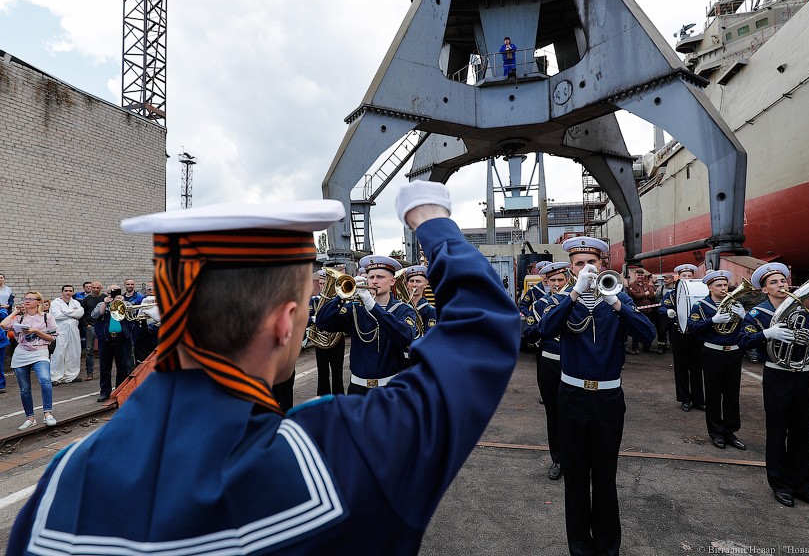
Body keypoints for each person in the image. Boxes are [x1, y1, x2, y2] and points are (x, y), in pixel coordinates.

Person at [8, 182, 521, 554]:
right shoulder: (342, 455)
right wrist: (432, 223)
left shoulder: (60, 485)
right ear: (285, 323)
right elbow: (484, 331)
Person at [539, 236, 655, 555]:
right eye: (579, 264)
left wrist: (616, 302)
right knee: (576, 479)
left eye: (592, 263)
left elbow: (648, 335)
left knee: (605, 478)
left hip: (607, 400)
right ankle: (580, 548)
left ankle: (607, 548)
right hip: (572, 396)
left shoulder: (618, 299)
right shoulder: (564, 299)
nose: (587, 268)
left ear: (602, 264)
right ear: (572, 270)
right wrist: (575, 295)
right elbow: (544, 330)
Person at [741, 262, 809, 509]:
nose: (781, 286)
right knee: (778, 432)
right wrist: (767, 334)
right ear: (764, 290)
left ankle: (804, 486)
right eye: (774, 283)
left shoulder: (803, 311)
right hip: (777, 376)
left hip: (804, 376)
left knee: (804, 433)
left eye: (783, 281)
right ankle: (780, 485)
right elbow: (743, 340)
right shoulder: (758, 314)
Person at [316, 254, 416, 394]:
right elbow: (322, 322)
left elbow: (405, 337)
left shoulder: (403, 310)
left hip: (389, 388)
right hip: (357, 388)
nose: (374, 281)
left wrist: (372, 305)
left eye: (380, 277)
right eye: (371, 277)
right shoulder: (356, 309)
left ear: (392, 281)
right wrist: (341, 296)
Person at [687, 270, 750, 450]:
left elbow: (746, 330)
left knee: (732, 394)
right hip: (713, 353)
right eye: (719, 286)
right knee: (713, 395)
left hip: (733, 353)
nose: (724, 289)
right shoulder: (701, 306)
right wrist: (712, 320)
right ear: (709, 287)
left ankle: (730, 432)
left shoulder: (736, 304)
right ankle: (716, 433)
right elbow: (692, 327)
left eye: (725, 285)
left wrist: (744, 317)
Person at [523, 261, 570, 480]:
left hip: (574, 363)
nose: (557, 284)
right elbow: (530, 334)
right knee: (553, 412)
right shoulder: (539, 305)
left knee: (578, 413)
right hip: (549, 363)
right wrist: (547, 325)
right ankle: (558, 459)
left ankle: (578, 460)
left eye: (561, 280)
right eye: (553, 281)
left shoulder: (577, 301)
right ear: (546, 282)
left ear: (568, 280)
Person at [1, 291, 59, 429]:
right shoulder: (20, 318)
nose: (26, 301)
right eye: (25, 299)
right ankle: (30, 417)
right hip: (21, 354)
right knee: (25, 388)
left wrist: (36, 331)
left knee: (45, 380)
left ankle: (47, 413)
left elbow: (52, 338)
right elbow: (3, 325)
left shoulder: (47, 317)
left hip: (40, 352)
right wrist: (14, 312)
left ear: (38, 302)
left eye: (30, 299)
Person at [660, 263, 705, 412]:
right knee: (681, 366)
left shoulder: (699, 292)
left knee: (697, 367)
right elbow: (662, 307)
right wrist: (668, 312)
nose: (687, 278)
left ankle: (699, 399)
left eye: (689, 275)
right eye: (684, 276)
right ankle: (685, 399)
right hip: (678, 332)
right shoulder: (671, 294)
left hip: (694, 333)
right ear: (679, 277)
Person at [90, 284, 135, 402]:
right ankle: (105, 392)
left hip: (122, 338)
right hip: (106, 339)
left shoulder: (125, 303)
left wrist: (123, 303)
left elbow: (133, 314)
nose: (113, 294)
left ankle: (120, 390)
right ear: (107, 292)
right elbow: (94, 315)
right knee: (105, 367)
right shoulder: (101, 303)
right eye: (111, 292)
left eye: (115, 292)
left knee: (123, 366)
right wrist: (105, 303)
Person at [308, 269, 346, 396]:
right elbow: (307, 317)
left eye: (325, 283)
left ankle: (338, 400)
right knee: (322, 374)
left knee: (337, 373)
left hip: (336, 340)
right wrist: (312, 319)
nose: (323, 286)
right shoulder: (314, 300)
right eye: (321, 284)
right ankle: (322, 402)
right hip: (320, 340)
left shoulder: (339, 300)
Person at [49, 285, 85, 384]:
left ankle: (71, 375)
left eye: (70, 291)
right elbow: (56, 315)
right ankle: (55, 377)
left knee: (73, 352)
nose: (68, 293)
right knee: (58, 353)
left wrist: (65, 312)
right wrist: (72, 313)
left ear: (73, 292)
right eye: (66, 291)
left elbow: (80, 313)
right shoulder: (55, 303)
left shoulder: (76, 302)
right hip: (60, 330)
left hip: (73, 330)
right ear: (62, 292)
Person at [78, 281, 106, 381]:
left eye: (98, 288)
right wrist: (87, 325)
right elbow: (82, 314)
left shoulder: (105, 298)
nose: (95, 289)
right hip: (91, 326)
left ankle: (105, 372)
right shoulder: (86, 299)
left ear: (101, 288)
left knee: (105, 349)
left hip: (103, 326)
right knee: (89, 350)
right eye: (94, 287)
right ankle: (89, 373)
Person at [626, 268, 656, 353]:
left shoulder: (647, 285)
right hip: (638, 310)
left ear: (643, 276)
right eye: (638, 275)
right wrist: (645, 293)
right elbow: (635, 296)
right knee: (637, 329)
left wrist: (644, 294)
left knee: (648, 329)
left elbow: (652, 295)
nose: (640, 276)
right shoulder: (632, 285)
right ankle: (635, 347)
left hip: (648, 310)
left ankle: (647, 347)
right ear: (635, 276)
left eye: (641, 275)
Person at [405, 264, 437, 334]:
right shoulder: (401, 307)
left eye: (418, 281)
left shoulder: (430, 310)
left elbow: (430, 335)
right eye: (411, 281)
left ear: (425, 285)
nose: (414, 285)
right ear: (407, 285)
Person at [133, 282, 160, 363]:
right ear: (146, 291)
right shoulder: (140, 300)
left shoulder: (162, 300)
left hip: (158, 332)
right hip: (143, 332)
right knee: (141, 357)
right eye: (149, 289)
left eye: (154, 289)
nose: (151, 290)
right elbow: (135, 314)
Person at [655, 273, 676, 352]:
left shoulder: (676, 288)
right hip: (663, 313)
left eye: (666, 279)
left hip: (673, 313)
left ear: (672, 280)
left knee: (672, 331)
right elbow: (657, 299)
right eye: (664, 279)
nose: (664, 280)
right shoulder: (660, 288)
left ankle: (672, 345)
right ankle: (661, 347)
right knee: (662, 330)